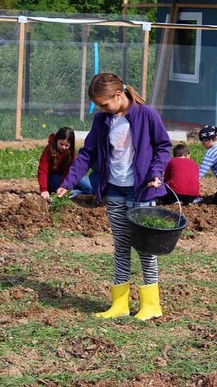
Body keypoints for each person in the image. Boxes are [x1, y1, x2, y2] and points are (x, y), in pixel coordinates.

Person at [56, 72, 171, 321]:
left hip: (141, 190)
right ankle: (119, 304)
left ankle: (151, 305)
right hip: (114, 190)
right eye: (99, 105)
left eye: (104, 103)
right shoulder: (102, 120)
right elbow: (87, 153)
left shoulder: (146, 114)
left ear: (119, 95)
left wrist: (156, 172)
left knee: (144, 247)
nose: (102, 108)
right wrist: (69, 182)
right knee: (121, 245)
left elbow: (163, 146)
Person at [37, 127, 93, 200]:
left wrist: (65, 185)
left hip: (68, 176)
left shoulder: (71, 152)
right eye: (61, 144)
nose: (63, 147)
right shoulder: (49, 150)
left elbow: (70, 170)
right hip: (53, 177)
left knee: (89, 187)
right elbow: (43, 170)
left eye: (67, 145)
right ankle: (76, 193)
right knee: (60, 189)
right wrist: (44, 190)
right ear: (56, 140)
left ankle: (75, 193)